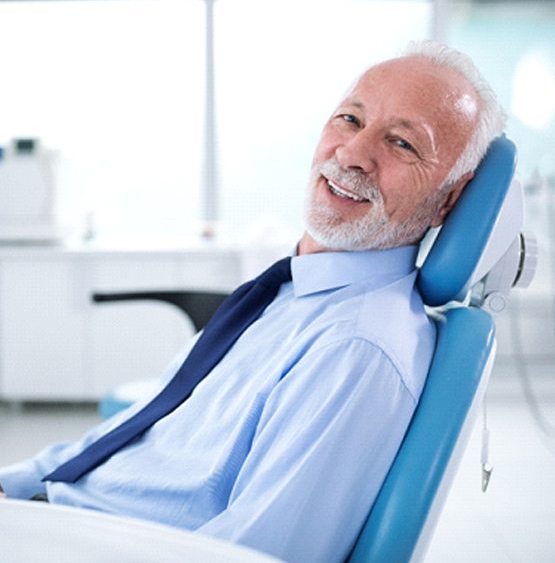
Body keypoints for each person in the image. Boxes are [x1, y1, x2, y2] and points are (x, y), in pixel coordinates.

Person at [0, 41, 505, 562]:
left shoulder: (357, 347)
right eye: (350, 119)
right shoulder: (286, 293)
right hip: (49, 517)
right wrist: (13, 487)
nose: (352, 154)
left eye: (401, 143)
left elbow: (252, 555)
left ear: (448, 198)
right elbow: (140, 436)